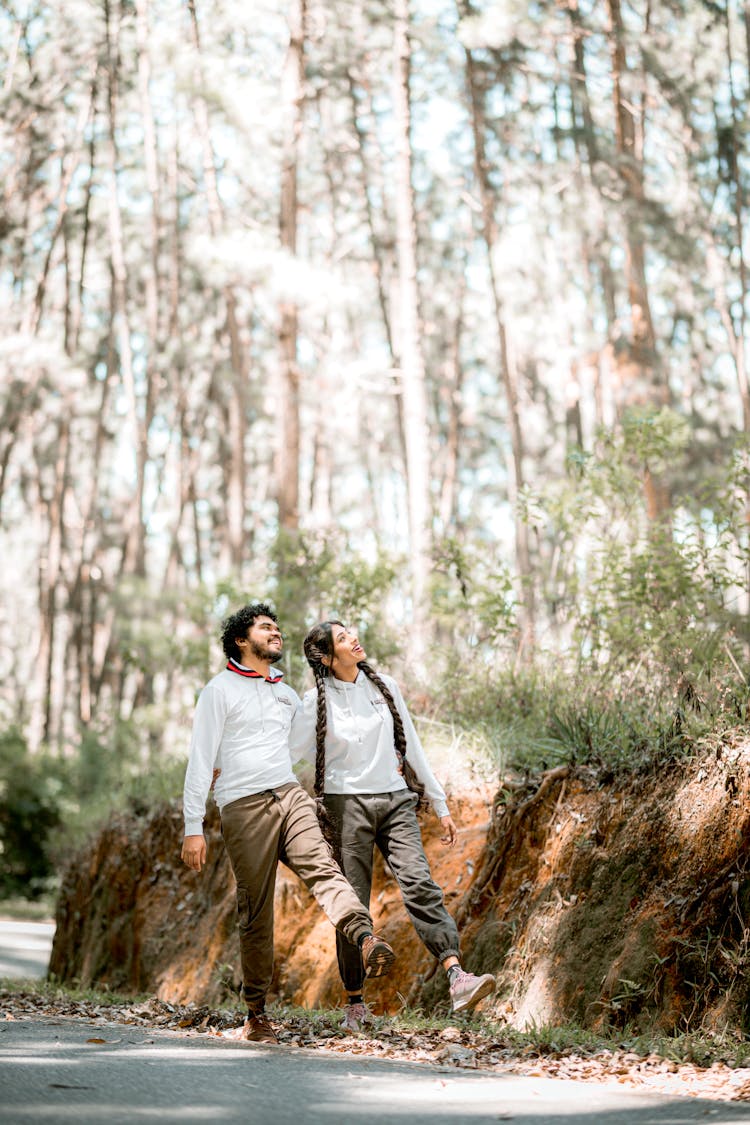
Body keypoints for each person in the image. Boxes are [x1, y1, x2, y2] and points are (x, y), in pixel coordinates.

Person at [181, 603, 396, 1044]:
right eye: (265, 628)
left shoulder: (286, 691)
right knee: (255, 909)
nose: (275, 633)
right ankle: (256, 1014)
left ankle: (365, 938)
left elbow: (304, 744)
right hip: (242, 806)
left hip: (289, 795)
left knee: (325, 870)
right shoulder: (218, 691)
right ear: (242, 641)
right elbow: (201, 758)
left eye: (277, 627)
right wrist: (193, 825)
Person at [294, 619, 496, 1032]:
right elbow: (287, 752)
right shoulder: (314, 700)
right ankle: (355, 1003)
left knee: (420, 883)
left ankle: (457, 975)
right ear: (328, 658)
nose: (354, 637)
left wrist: (438, 802)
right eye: (343, 637)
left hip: (395, 800)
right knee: (353, 904)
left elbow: (413, 745)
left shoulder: (383, 685)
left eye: (351, 630)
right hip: (344, 806)